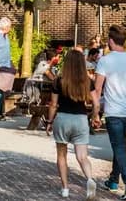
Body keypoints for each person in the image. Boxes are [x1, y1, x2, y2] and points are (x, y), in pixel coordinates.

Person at [92, 25, 126, 200]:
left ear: (111, 41)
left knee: (119, 147)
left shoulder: (105, 60)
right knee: (118, 146)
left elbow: (97, 90)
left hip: (113, 111)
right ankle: (113, 180)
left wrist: (95, 113)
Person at [44, 49, 97, 200]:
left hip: (63, 119)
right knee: (82, 156)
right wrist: (95, 116)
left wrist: (49, 121)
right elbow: (96, 103)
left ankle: (65, 188)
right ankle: (90, 179)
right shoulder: (88, 81)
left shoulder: (58, 81)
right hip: (80, 120)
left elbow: (53, 105)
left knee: (62, 155)